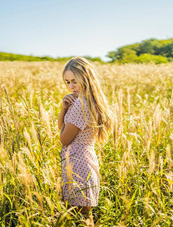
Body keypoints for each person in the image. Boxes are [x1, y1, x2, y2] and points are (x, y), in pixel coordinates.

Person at [58, 57, 113, 226]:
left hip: (77, 165)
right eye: (67, 82)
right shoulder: (91, 102)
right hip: (87, 160)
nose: (71, 86)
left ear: (86, 78)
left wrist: (65, 110)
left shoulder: (79, 105)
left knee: (77, 217)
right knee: (83, 216)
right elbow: (65, 129)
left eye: (75, 81)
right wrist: (64, 109)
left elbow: (64, 139)